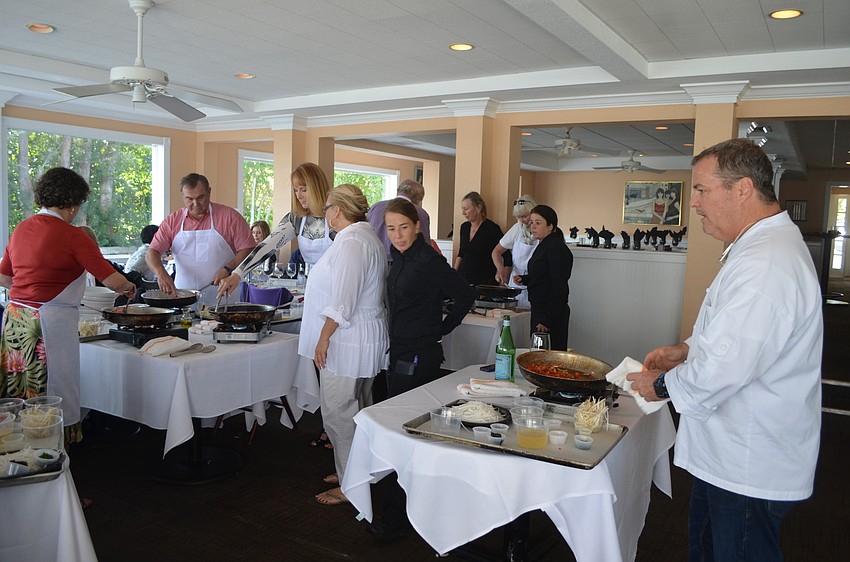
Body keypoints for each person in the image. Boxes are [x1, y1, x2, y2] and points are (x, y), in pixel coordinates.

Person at [626, 138, 822, 562]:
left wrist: (658, 386)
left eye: (700, 189)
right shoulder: (760, 249)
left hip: (747, 460)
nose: (693, 203)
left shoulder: (766, 262)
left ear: (742, 189)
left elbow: (725, 366)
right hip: (734, 453)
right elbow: (737, 336)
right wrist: (685, 349)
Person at [0, 167, 136, 443]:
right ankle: (51, 446)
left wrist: (27, 293)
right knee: (53, 387)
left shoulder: (22, 228)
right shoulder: (74, 236)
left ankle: (15, 445)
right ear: (74, 204)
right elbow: (111, 280)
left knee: (18, 386)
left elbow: (4, 277)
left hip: (14, 318)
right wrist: (129, 287)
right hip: (48, 323)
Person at [367, 198, 475, 540]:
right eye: (392, 228)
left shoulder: (428, 260)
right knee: (406, 426)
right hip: (399, 350)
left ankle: (396, 516)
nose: (397, 234)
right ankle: (412, 505)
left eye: (404, 227)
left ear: (416, 226)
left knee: (405, 429)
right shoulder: (396, 259)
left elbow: (464, 295)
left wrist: (442, 328)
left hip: (418, 355)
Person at [298, 184, 388, 506]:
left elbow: (343, 302)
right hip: (360, 336)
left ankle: (352, 484)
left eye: (326, 210)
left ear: (337, 210)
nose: (325, 216)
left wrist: (323, 339)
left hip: (347, 339)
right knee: (359, 408)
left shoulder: (352, 242)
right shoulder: (364, 237)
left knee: (338, 411)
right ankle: (359, 470)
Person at [217, 162, 335, 299]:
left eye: (303, 189)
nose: (298, 196)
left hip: (338, 289)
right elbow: (267, 246)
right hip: (312, 289)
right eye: (295, 190)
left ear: (317, 188)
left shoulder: (336, 217)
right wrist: (237, 274)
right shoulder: (295, 219)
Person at [146, 173, 254, 305]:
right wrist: (160, 273)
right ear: (183, 197)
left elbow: (248, 249)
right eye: (189, 199)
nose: (195, 204)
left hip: (224, 296)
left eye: (200, 197)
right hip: (183, 296)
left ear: (209, 192)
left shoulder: (229, 217)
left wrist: (228, 269)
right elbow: (152, 252)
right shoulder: (172, 221)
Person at [513, 205, 572, 350]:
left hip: (549, 313)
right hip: (540, 309)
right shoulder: (544, 244)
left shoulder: (555, 248)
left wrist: (547, 320)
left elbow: (559, 287)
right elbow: (543, 276)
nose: (532, 226)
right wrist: (525, 279)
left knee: (547, 359)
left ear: (550, 226)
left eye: (538, 223)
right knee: (537, 356)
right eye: (531, 222)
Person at [491, 195, 539, 309]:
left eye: (525, 216)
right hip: (515, 286)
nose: (523, 220)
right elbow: (496, 251)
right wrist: (500, 268)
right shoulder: (517, 229)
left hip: (535, 285)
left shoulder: (541, 231)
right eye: (519, 217)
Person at [366, 179, 431, 261]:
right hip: (404, 262)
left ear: (398, 191)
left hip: (374, 260)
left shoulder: (376, 207)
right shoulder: (420, 213)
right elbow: (425, 244)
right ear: (418, 198)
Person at [454, 191, 504, 286]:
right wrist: (454, 273)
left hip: (484, 280)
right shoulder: (464, 227)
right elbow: (461, 252)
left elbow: (505, 255)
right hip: (464, 278)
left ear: (479, 207)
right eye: (462, 209)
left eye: (466, 209)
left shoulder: (492, 228)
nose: (463, 213)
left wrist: (502, 273)